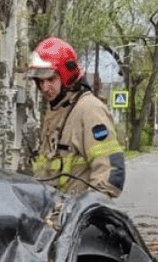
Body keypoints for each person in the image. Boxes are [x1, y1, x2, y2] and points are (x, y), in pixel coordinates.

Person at [27, 36, 126, 197]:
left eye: (51, 79)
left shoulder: (89, 109)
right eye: (40, 81)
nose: (45, 87)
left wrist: (92, 208)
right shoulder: (57, 111)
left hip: (73, 215)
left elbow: (110, 168)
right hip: (49, 213)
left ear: (66, 75)